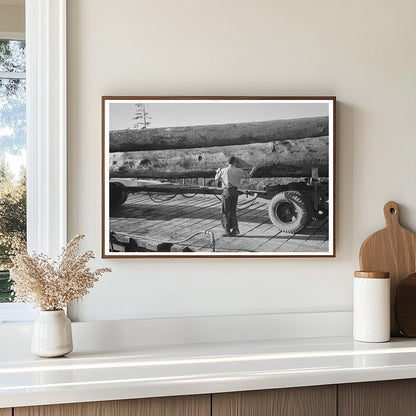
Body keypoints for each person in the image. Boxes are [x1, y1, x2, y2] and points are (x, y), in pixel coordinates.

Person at [215, 156, 246, 237]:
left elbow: (216, 179)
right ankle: (235, 229)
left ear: (228, 163)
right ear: (235, 162)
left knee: (225, 211)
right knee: (233, 211)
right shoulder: (239, 170)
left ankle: (227, 231)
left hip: (227, 191)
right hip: (235, 192)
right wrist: (254, 169)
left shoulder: (223, 170)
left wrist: (217, 172)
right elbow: (248, 176)